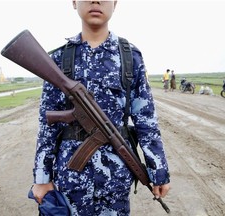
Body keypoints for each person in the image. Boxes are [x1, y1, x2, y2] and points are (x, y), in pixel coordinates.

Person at [31, 1, 170, 215]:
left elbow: (146, 122)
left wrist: (158, 172)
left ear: (115, 3)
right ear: (74, 2)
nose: (96, 1)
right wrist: (41, 178)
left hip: (116, 180)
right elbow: (47, 125)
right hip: (70, 179)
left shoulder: (130, 57)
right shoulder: (59, 59)